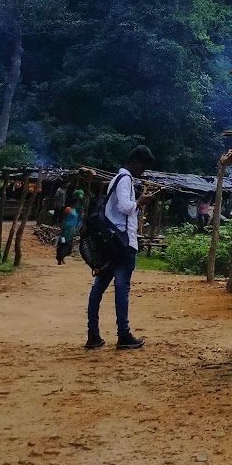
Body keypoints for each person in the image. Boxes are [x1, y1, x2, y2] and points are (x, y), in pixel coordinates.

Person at [87, 144, 154, 351]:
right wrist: (139, 202)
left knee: (98, 288)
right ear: (135, 162)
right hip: (123, 244)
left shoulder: (117, 179)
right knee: (122, 289)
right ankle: (123, 334)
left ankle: (93, 334)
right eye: (142, 167)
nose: (142, 171)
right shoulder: (125, 179)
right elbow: (125, 207)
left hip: (111, 244)